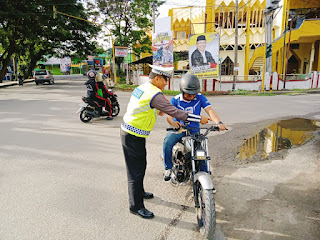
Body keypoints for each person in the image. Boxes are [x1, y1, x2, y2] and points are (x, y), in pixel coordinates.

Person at [120, 65, 211, 219]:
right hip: (132, 135)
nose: (166, 83)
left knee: (140, 166)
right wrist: (199, 119)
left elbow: (142, 104)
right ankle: (136, 206)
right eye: (165, 80)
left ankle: (139, 192)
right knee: (136, 170)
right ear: (157, 78)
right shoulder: (154, 94)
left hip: (133, 133)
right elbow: (175, 112)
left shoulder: (144, 87)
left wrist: (157, 109)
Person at [163, 73, 226, 181]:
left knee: (201, 154)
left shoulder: (200, 97)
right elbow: (168, 116)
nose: (192, 96)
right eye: (189, 94)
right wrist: (173, 123)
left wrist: (219, 123)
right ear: (182, 91)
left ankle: (206, 180)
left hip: (194, 131)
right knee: (167, 142)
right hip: (179, 130)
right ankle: (168, 168)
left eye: (194, 94)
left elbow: (210, 111)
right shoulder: (175, 100)